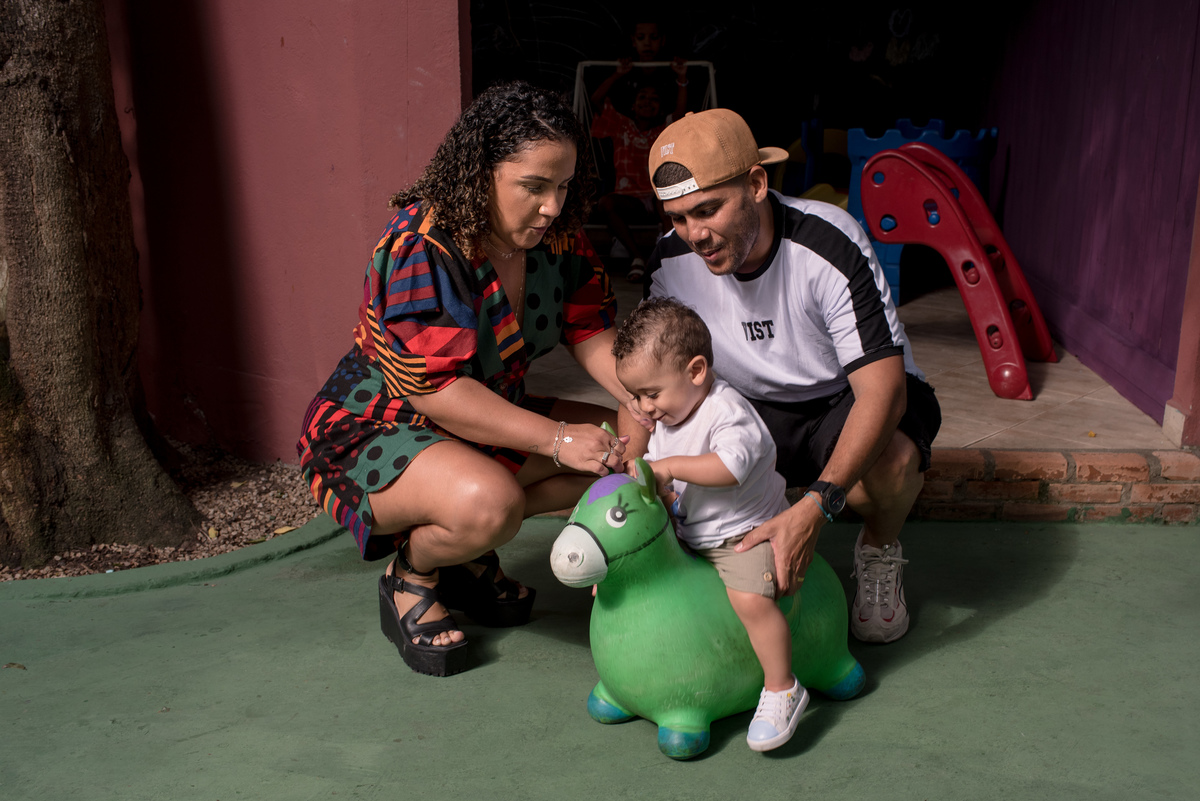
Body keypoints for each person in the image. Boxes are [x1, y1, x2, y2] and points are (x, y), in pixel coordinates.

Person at [298, 82, 631, 677]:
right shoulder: (421, 245)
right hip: (375, 427)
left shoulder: (557, 237)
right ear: (480, 173)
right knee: (491, 503)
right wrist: (557, 438)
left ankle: (465, 553)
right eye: (534, 186)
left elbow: (590, 330)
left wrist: (641, 400)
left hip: (481, 419)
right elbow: (434, 389)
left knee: (627, 455)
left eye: (563, 186)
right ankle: (416, 572)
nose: (553, 205)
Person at [624, 108, 942, 644]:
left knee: (891, 464)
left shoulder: (829, 242)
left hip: (843, 396)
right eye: (678, 218)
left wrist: (817, 506)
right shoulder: (669, 261)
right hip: (748, 405)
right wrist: (631, 482)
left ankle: (879, 548)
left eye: (707, 210)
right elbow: (647, 385)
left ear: (755, 184)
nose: (694, 234)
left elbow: (883, 391)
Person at [612, 296, 808, 752]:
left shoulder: (727, 412)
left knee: (750, 601)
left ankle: (783, 688)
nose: (644, 407)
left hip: (741, 531)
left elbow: (728, 468)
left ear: (696, 371)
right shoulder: (673, 409)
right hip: (690, 529)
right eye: (635, 396)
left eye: (651, 394)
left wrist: (668, 467)